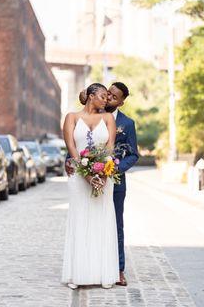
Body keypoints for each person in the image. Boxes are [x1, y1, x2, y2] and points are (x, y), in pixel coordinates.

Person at [66, 82, 139, 286]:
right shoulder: (86, 115)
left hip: (113, 179)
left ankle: (118, 269)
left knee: (114, 224)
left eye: (114, 98)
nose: (108, 99)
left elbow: (133, 154)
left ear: (121, 102)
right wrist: (71, 162)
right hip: (84, 174)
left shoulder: (127, 123)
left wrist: (110, 170)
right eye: (107, 95)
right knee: (86, 221)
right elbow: (76, 143)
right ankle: (84, 268)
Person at [62, 83, 120, 289]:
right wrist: (86, 174)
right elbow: (71, 147)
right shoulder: (72, 117)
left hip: (104, 176)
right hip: (79, 177)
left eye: (107, 97)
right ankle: (77, 275)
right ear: (90, 96)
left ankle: (104, 274)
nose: (107, 100)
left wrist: (103, 174)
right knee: (80, 220)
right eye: (103, 96)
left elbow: (110, 147)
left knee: (101, 220)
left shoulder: (108, 118)